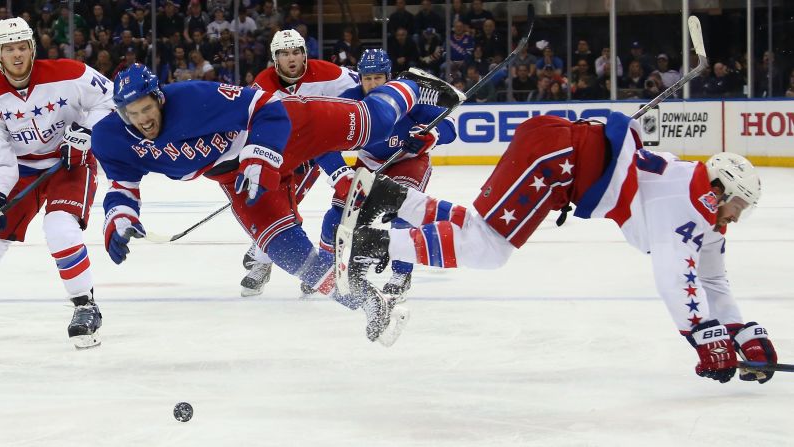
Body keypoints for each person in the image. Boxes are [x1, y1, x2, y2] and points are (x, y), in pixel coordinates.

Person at [338, 111, 779, 381]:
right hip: (556, 162)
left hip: (554, 153)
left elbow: (712, 277)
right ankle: (376, 242)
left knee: (479, 229)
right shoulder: (686, 205)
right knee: (486, 248)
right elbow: (674, 275)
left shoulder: (704, 209)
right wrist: (701, 335)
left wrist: (739, 332)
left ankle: (392, 196)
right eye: (738, 203)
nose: (737, 215)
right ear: (719, 188)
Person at [90, 63, 463, 343]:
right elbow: (123, 183)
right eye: (131, 114)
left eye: (145, 109)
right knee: (289, 254)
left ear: (158, 97)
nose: (142, 121)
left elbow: (266, 107)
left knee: (375, 123)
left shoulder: (193, 97)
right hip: (235, 177)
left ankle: (410, 85)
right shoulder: (111, 138)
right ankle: (371, 305)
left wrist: (259, 157)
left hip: (286, 127)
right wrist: (120, 218)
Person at [0, 18, 114, 348]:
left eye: (22, 47)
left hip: (70, 163)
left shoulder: (69, 72)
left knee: (60, 226)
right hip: (21, 169)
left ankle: (85, 305)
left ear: (32, 48)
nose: (17, 55)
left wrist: (86, 133)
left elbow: (110, 100)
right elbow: (1, 153)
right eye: (9, 49)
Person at [305, 49, 456, 299]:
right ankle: (323, 268)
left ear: (389, 78)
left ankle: (401, 273)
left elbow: (449, 126)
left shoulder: (408, 98)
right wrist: (340, 174)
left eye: (378, 78)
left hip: (409, 161)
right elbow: (322, 142)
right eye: (367, 78)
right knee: (339, 212)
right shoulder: (350, 102)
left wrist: (431, 135)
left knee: (403, 210)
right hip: (370, 162)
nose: (372, 84)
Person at [238, 29, 361, 297]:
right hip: (277, 157)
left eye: (296, 52)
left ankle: (263, 260)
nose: (291, 59)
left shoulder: (328, 73)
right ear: (275, 58)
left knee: (279, 212)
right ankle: (265, 255)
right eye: (284, 54)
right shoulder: (262, 84)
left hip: (313, 153)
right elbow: (246, 122)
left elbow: (366, 86)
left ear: (304, 54)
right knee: (266, 206)